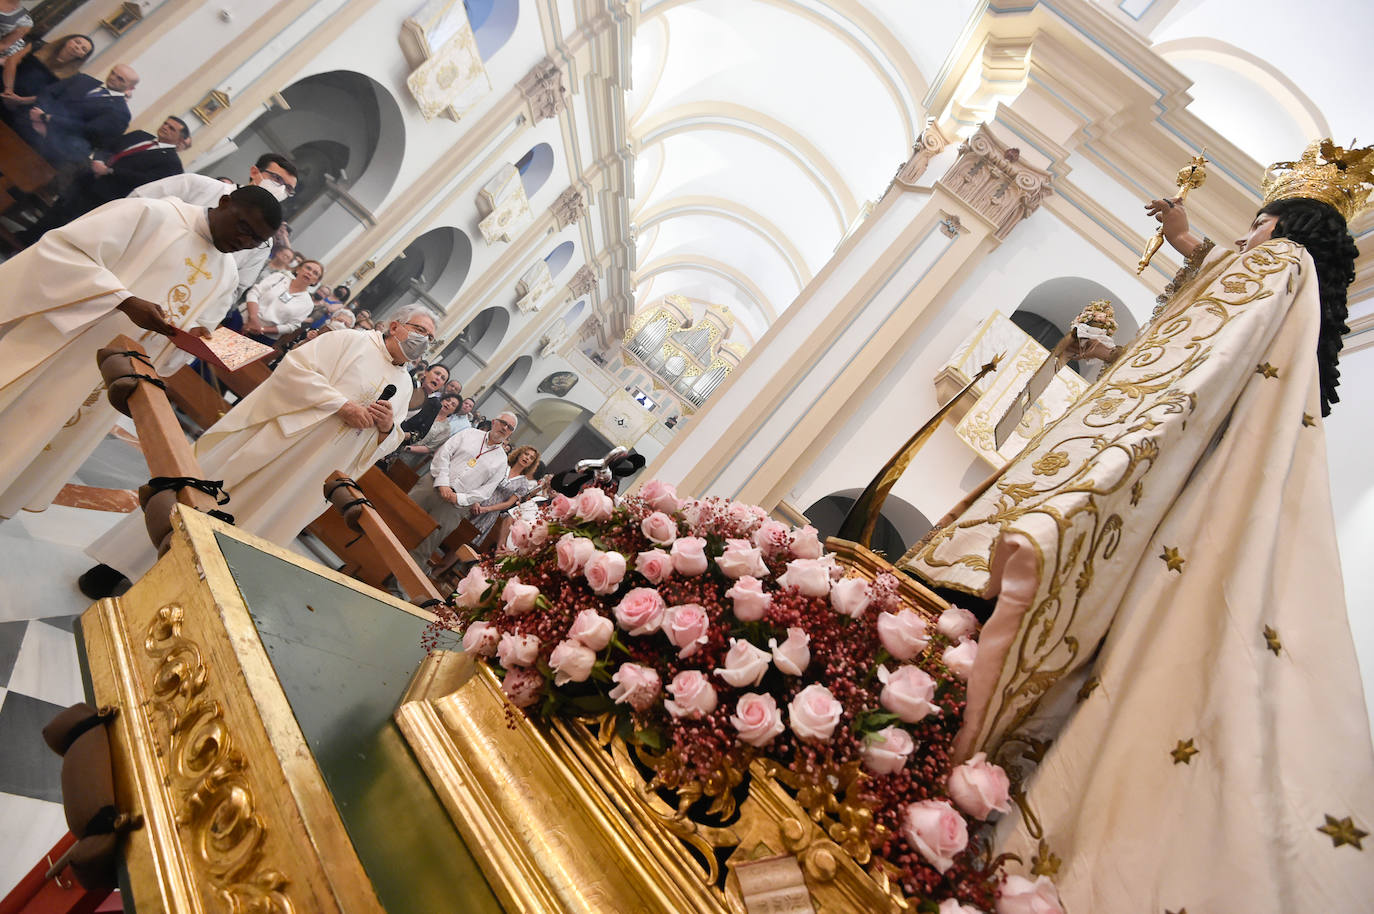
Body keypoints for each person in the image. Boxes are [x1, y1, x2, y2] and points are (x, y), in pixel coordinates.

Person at [899, 140, 1374, 912]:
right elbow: (1201, 355)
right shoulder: (1294, 302)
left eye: (1258, 222)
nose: (1247, 236)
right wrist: (1124, 342)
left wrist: (1186, 240)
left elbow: (1194, 362)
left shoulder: (1278, 265)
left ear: (1282, 225)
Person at [80, 305, 434, 597]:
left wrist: (386, 427)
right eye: (419, 330)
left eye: (430, 337)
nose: (424, 340)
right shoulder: (350, 341)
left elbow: (392, 437)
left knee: (252, 525)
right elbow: (294, 370)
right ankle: (117, 567)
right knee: (200, 496)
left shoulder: (405, 385)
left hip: (306, 476)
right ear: (394, 325)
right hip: (275, 446)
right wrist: (341, 405)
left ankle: (173, 592)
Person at [0, 186, 282, 518]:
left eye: (256, 240)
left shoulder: (227, 275)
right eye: (243, 226)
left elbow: (201, 323)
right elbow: (63, 250)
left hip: (115, 375)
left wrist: (196, 336)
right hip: (68, 348)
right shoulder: (153, 215)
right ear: (224, 202)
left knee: (51, 438)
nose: (244, 241)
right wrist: (124, 300)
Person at [131, 152, 299, 301]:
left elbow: (236, 287)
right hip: (140, 265)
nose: (281, 189)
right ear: (255, 172)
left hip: (183, 298)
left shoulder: (263, 241)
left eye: (288, 189)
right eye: (277, 179)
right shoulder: (199, 185)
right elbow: (137, 203)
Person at [21, 116, 191, 239]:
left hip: (106, 195)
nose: (165, 127)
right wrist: (99, 160)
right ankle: (27, 236)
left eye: (172, 129)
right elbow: (109, 146)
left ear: (180, 140)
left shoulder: (172, 163)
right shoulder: (141, 135)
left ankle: (36, 247)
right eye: (166, 123)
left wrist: (110, 171)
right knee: (58, 208)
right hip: (88, 178)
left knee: (68, 223)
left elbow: (146, 181)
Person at [408, 411, 518, 569]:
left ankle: (397, 581)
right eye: (503, 423)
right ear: (494, 421)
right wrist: (443, 483)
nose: (505, 428)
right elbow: (444, 453)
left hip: (454, 507)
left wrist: (459, 498)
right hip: (432, 485)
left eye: (510, 428)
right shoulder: (469, 434)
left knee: (424, 546)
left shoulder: (501, 461)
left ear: (510, 433)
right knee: (401, 516)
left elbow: (486, 491)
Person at [16, 63, 137, 168]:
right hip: (28, 123)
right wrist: (39, 113)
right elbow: (49, 92)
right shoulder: (83, 80)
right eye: (113, 73)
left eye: (120, 79)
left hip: (56, 148)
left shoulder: (121, 112)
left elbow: (88, 129)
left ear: (131, 87)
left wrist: (48, 119)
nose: (113, 78)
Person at [467, 445, 543, 550]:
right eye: (526, 454)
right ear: (519, 454)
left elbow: (508, 503)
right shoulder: (502, 466)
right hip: (475, 500)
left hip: (489, 513)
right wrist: (476, 501)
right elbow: (483, 481)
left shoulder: (523, 483)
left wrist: (485, 509)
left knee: (466, 540)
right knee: (452, 530)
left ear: (532, 464)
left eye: (531, 458)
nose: (527, 458)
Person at [0, 34, 92, 118]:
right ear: (68, 40)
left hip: (21, 105)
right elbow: (12, 61)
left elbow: (52, 95)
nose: (77, 47)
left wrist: (20, 101)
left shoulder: (74, 76)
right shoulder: (39, 45)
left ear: (83, 56)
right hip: (5, 84)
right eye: (77, 42)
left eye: (83, 49)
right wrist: (8, 90)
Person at [239, 259, 322, 344]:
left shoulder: (307, 304)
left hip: (264, 337)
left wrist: (261, 329)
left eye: (315, 273)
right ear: (298, 269)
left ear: (315, 281)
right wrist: (253, 319)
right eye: (308, 268)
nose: (310, 273)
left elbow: (292, 326)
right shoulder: (279, 278)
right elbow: (254, 293)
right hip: (242, 320)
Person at [400, 392, 462, 469]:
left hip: (409, 455)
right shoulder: (426, 409)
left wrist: (406, 448)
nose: (448, 404)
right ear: (442, 400)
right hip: (399, 438)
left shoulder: (446, 429)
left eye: (453, 405)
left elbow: (429, 448)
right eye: (447, 400)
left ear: (454, 411)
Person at [400, 363, 450, 439]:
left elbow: (421, 433)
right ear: (426, 372)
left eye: (442, 378)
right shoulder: (409, 382)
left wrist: (402, 435)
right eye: (437, 373)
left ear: (443, 385)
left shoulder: (435, 405)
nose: (438, 378)